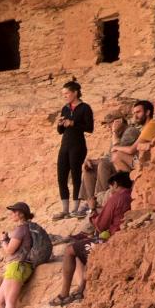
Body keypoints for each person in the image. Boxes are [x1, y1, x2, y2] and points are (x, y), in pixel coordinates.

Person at [49, 171, 132, 307]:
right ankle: (81, 289)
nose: (110, 190)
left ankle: (64, 294)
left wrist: (92, 208)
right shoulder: (131, 195)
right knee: (83, 249)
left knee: (70, 250)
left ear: (115, 184)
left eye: (111, 187)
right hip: (124, 236)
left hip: (112, 240)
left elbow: (100, 225)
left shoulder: (116, 198)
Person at [81, 99, 153, 211]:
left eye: (110, 123)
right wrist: (91, 161)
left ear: (118, 122)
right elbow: (109, 155)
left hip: (127, 167)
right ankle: (90, 202)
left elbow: (118, 154)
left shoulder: (130, 131)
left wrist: (114, 133)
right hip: (118, 164)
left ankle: (100, 199)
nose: (108, 127)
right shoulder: (116, 135)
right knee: (88, 167)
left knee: (104, 164)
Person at [54, 80, 95, 218]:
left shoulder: (85, 108)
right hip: (65, 144)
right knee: (61, 176)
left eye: (66, 93)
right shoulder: (65, 108)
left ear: (75, 93)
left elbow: (90, 128)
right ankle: (65, 209)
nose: (64, 96)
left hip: (78, 145)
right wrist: (61, 124)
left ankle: (75, 209)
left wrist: (73, 123)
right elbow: (60, 131)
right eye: (63, 94)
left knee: (76, 175)